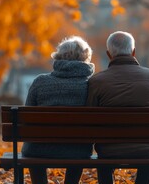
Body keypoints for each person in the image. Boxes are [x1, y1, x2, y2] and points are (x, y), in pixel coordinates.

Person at [86, 31, 149, 184]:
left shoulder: (96, 81)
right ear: (133, 52)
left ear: (108, 54)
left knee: (104, 148)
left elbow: (89, 117)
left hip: (108, 149)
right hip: (148, 149)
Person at [21, 36, 95, 184]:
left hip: (38, 149)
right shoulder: (91, 85)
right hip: (77, 150)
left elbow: (26, 117)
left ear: (59, 57)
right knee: (78, 147)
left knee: (33, 146)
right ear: (85, 58)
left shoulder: (40, 82)